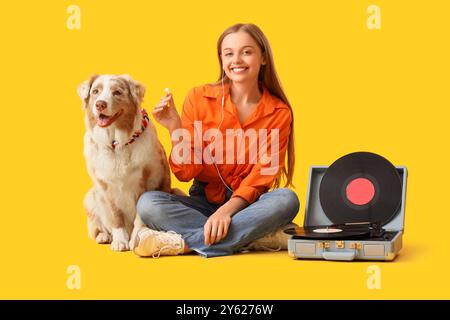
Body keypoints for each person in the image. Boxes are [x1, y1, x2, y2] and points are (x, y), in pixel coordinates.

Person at [132, 23, 299, 258]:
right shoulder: (198, 98)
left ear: (263, 57)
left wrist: (227, 212)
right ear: (221, 59)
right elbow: (186, 172)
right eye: (228, 53)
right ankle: (253, 237)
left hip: (248, 206)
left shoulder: (278, 112)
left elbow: (262, 176)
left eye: (247, 52)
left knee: (286, 200)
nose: (236, 60)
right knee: (148, 204)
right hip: (204, 202)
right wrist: (175, 128)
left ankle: (185, 243)